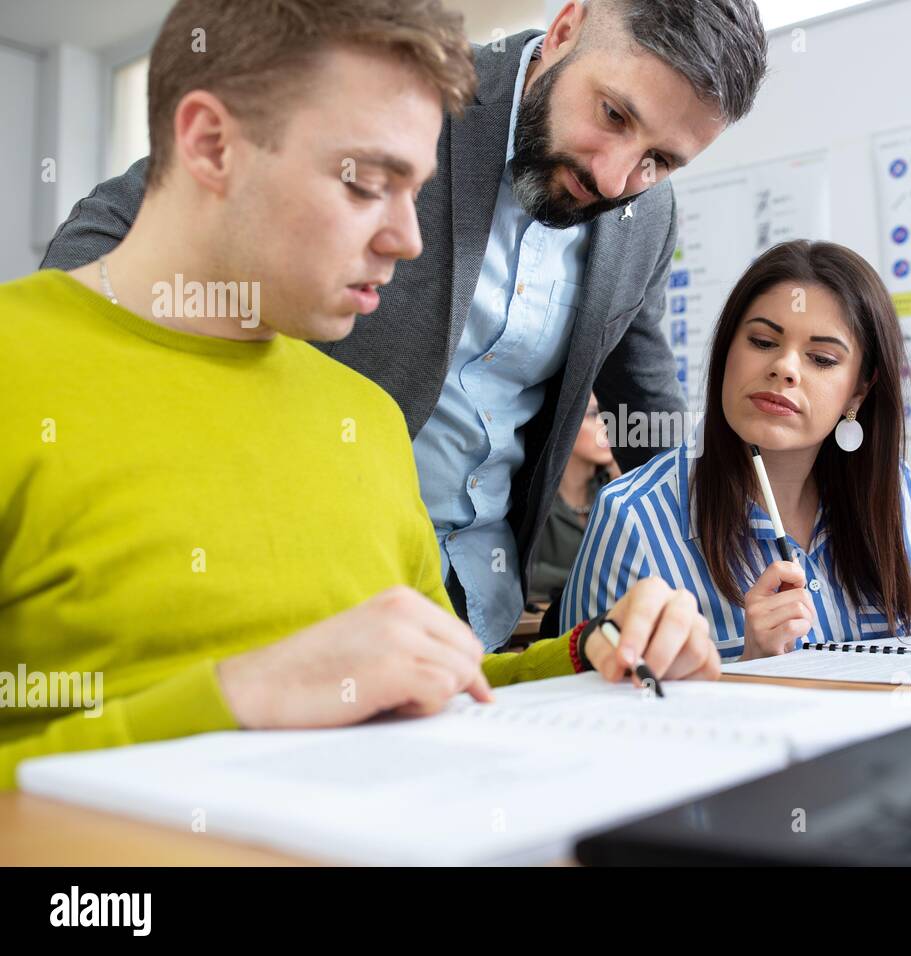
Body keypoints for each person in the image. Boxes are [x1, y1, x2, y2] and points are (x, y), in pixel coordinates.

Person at [0, 0, 718, 790]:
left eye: (416, 190)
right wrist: (234, 700)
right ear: (211, 145)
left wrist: (595, 651)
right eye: (368, 183)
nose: (409, 240)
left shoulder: (368, 422)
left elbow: (449, 690)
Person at [560, 240, 911, 660]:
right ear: (728, 350)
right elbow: (596, 715)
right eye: (763, 342)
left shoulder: (892, 493)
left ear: (859, 390)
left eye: (820, 358)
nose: (785, 368)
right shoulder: (633, 516)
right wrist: (751, 665)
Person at [529, 394, 619, 604]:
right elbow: (516, 571)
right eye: (593, 414)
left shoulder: (615, 493)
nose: (607, 424)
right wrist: (590, 580)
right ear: (561, 421)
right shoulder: (531, 498)